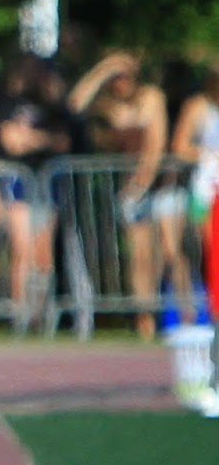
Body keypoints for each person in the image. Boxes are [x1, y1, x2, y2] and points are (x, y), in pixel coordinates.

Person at [69, 50, 170, 340]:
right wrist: (102, 69)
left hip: (157, 185)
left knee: (168, 254)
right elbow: (74, 105)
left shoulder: (151, 98)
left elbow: (155, 144)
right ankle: (144, 319)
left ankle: (177, 315)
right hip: (128, 188)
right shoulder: (107, 104)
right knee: (139, 255)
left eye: (124, 76)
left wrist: (143, 183)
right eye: (116, 78)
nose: (120, 83)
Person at [0, 51, 76, 332]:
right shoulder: (8, 102)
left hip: (47, 183)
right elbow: (12, 143)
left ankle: (41, 316)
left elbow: (62, 141)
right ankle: (20, 316)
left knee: (43, 255)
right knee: (22, 251)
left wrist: (34, 139)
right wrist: (41, 141)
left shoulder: (53, 107)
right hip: (20, 183)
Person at [171, 60, 219, 322]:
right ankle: (207, 307)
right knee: (208, 246)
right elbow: (179, 146)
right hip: (206, 188)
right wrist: (207, 154)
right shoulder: (198, 108)